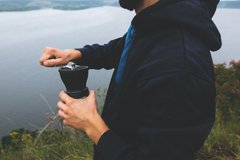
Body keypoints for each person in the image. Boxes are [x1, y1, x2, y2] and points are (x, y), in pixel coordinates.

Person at [39, 0, 222, 159]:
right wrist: (74, 55)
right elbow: (124, 48)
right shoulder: (157, 23)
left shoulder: (179, 71)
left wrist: (92, 125)